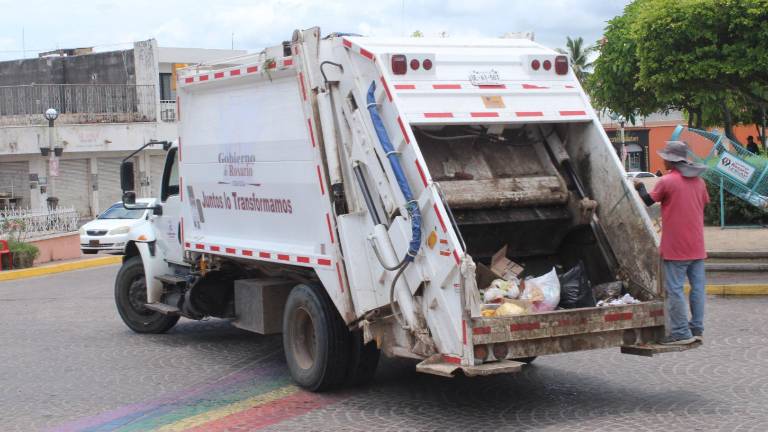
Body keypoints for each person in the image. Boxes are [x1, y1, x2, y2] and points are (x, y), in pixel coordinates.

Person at [634, 141, 709, 345]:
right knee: (698, 288)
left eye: (666, 157)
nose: (663, 160)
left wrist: (639, 187)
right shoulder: (700, 182)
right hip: (697, 245)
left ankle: (680, 332)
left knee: (675, 289)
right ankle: (697, 328)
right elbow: (703, 204)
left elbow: (649, 201)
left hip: (675, 247)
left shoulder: (667, 181)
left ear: (672, 160)